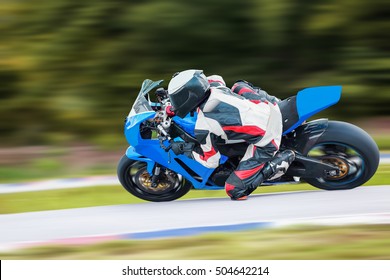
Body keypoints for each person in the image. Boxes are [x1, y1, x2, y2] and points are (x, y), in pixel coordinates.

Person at [168, 69, 295, 200]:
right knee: (237, 85)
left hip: (268, 137)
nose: (176, 101)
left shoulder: (204, 125)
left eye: (178, 98)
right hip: (268, 106)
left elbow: (212, 161)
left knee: (234, 190)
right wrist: (171, 107)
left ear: (189, 95)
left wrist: (185, 149)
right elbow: (216, 77)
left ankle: (277, 164)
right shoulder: (214, 86)